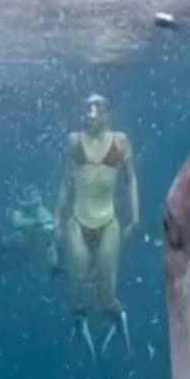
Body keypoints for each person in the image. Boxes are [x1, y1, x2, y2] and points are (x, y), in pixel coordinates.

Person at [53, 93, 139, 360]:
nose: (91, 112)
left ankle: (118, 318)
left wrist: (135, 216)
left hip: (108, 223)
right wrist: (58, 218)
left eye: (97, 107)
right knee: (77, 286)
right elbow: (66, 182)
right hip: (78, 222)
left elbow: (131, 179)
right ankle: (80, 323)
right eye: (87, 107)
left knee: (106, 293)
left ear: (107, 113)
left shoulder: (120, 141)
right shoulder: (73, 142)